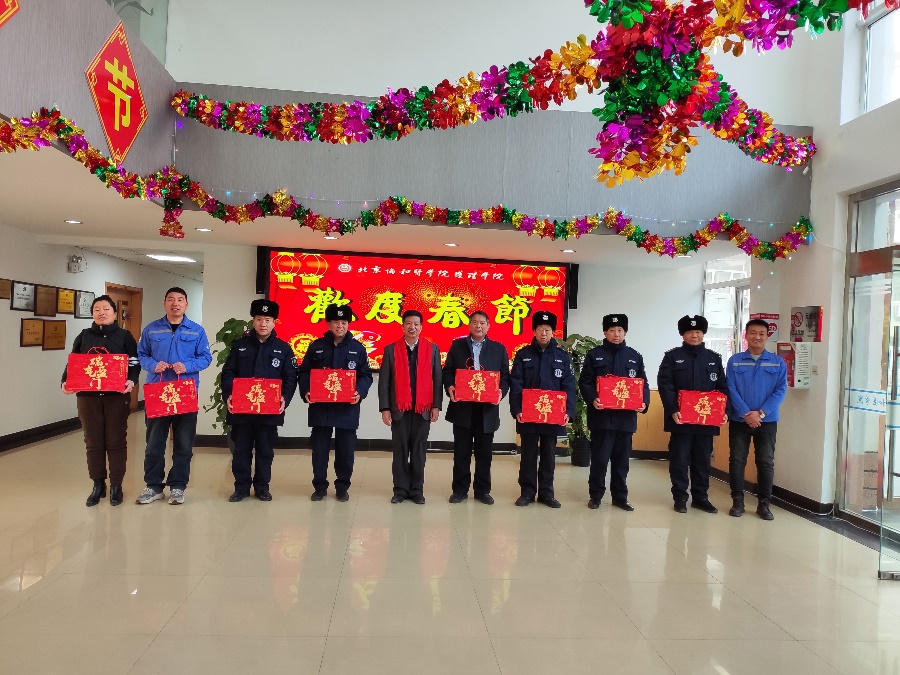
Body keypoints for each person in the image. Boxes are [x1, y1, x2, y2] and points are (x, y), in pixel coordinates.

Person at [61, 295, 139, 507]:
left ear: (114, 313)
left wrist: (132, 380)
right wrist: (65, 381)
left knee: (116, 441)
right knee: (93, 442)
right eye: (97, 309)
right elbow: (73, 363)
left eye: (106, 309)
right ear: (92, 314)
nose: (101, 313)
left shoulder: (124, 336)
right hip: (88, 397)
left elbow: (134, 362)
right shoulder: (84, 336)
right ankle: (98, 485)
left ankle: (116, 485)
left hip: (116, 397)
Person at [136, 287, 211, 505]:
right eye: (170, 299)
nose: (175, 303)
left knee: (184, 444)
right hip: (158, 392)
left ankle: (178, 486)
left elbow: (206, 358)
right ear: (165, 303)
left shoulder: (196, 331)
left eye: (180, 300)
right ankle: (153, 486)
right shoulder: (151, 329)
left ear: (186, 304)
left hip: (185, 393)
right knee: (154, 443)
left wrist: (186, 366)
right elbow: (141, 354)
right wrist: (153, 365)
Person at [222, 299, 299, 502]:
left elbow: (290, 377)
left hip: (269, 411)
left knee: (265, 450)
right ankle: (241, 488)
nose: (263, 324)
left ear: (274, 322)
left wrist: (284, 398)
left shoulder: (284, 349)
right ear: (253, 321)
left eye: (267, 319)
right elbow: (228, 372)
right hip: (242, 410)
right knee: (241, 450)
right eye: (258, 319)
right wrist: (229, 394)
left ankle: (262, 487)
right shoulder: (239, 346)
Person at [298, 303, 373, 502]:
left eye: (344, 322)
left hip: (347, 408)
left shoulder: (358, 348)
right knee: (319, 450)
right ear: (328, 324)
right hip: (321, 408)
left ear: (348, 324)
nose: (340, 326)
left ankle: (342, 486)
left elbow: (366, 375)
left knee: (345, 451)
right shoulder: (316, 346)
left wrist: (359, 392)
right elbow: (304, 372)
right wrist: (306, 390)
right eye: (336, 322)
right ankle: (319, 486)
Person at [578, 313, 650, 511]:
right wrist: (593, 398)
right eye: (612, 330)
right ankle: (596, 496)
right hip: (601, 418)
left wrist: (644, 402)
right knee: (599, 460)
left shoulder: (634, 356)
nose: (616, 334)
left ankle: (620, 497)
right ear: (605, 332)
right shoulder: (594, 355)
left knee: (621, 461)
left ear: (625, 332)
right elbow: (585, 381)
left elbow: (643, 383)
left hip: (625, 419)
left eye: (620, 330)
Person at [657, 315, 727, 514]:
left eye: (698, 332)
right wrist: (673, 409)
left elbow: (722, 387)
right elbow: (665, 385)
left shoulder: (714, 358)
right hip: (680, 419)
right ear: (683, 334)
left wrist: (723, 411)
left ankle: (700, 498)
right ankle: (680, 497)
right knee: (679, 460)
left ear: (703, 334)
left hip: (706, 420)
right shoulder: (672, 357)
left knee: (702, 460)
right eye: (690, 332)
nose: (694, 335)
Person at [509, 311, 576, 508]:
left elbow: (569, 386)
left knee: (548, 454)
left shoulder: (562, 357)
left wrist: (568, 411)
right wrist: (517, 409)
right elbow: (516, 384)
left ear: (553, 332)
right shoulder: (523, 355)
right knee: (528, 454)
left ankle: (547, 493)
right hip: (528, 414)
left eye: (547, 329)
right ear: (534, 331)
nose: (544, 333)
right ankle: (527, 492)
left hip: (552, 415)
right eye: (540, 329)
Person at [443, 310, 510, 505]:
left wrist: (501, 391)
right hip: (463, 408)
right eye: (474, 322)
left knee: (484, 453)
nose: (478, 326)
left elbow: (505, 377)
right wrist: (450, 386)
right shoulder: (457, 346)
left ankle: (482, 491)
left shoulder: (499, 349)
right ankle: (460, 490)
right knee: (461, 452)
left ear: (488, 326)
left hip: (487, 409)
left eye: (482, 322)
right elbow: (448, 371)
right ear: (469, 325)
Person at [378, 310, 443, 504]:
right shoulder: (391, 350)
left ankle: (416, 490)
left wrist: (436, 406)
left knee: (418, 451)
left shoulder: (433, 350)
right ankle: (400, 490)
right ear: (402, 326)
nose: (412, 327)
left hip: (423, 410)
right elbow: (384, 382)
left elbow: (437, 380)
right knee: (400, 451)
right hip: (399, 409)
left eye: (416, 323)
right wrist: (385, 408)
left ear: (421, 327)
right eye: (408, 323)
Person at [726, 318, 788, 520]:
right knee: (737, 460)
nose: (757, 337)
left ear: (767, 336)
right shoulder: (734, 361)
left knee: (765, 462)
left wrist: (760, 413)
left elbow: (781, 390)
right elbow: (730, 389)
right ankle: (737, 502)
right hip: (739, 419)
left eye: (762, 333)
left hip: (767, 421)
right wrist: (746, 413)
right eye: (753, 333)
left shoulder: (777, 362)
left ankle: (764, 504)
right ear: (746, 335)